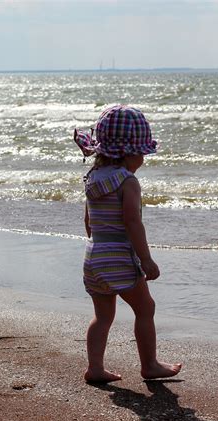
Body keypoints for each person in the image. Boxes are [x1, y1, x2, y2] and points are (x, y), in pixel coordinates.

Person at [74, 105, 182, 383]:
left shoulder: (92, 178)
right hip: (118, 257)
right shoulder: (127, 181)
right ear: (129, 153)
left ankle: (95, 368)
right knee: (145, 308)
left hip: (93, 256)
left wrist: (99, 245)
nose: (143, 159)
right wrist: (145, 259)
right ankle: (150, 364)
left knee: (103, 316)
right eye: (142, 153)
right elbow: (133, 222)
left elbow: (88, 221)